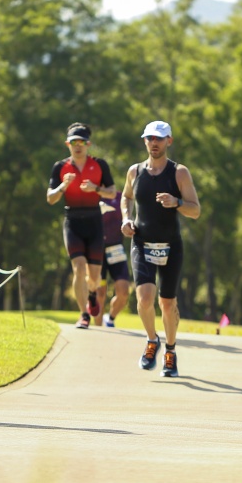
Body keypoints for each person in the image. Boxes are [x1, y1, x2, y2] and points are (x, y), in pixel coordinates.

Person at [121, 120, 201, 377]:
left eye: (159, 138)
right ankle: (152, 340)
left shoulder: (179, 173)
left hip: (171, 246)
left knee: (167, 303)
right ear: (144, 141)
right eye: (149, 138)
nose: (154, 143)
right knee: (144, 299)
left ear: (169, 141)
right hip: (142, 242)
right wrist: (126, 219)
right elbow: (126, 197)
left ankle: (170, 350)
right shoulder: (134, 171)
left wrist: (176, 202)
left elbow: (195, 210)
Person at [47, 123, 116, 328]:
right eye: (74, 142)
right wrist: (63, 186)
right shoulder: (60, 167)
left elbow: (112, 192)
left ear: (88, 144)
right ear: (68, 144)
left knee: (94, 276)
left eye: (82, 142)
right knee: (78, 268)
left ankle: (92, 294)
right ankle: (83, 314)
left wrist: (96, 188)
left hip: (95, 221)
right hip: (73, 221)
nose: (78, 146)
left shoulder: (100, 165)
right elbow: (50, 199)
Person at [95, 190, 131, 327]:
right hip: (97, 250)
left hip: (116, 249)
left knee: (123, 292)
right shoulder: (93, 196)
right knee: (100, 293)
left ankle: (109, 318)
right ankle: (98, 329)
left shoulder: (120, 197)